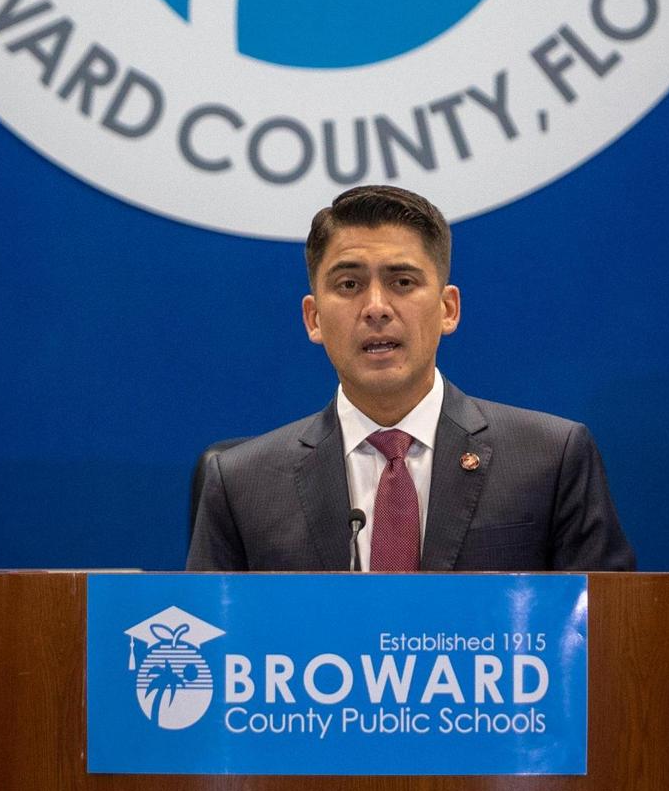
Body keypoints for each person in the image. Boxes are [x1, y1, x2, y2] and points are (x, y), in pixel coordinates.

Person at [186, 184, 634, 573]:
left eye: (402, 282)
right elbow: (214, 645)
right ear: (314, 317)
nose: (376, 307)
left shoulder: (550, 460)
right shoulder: (242, 484)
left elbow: (608, 635)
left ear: (447, 309)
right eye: (348, 285)